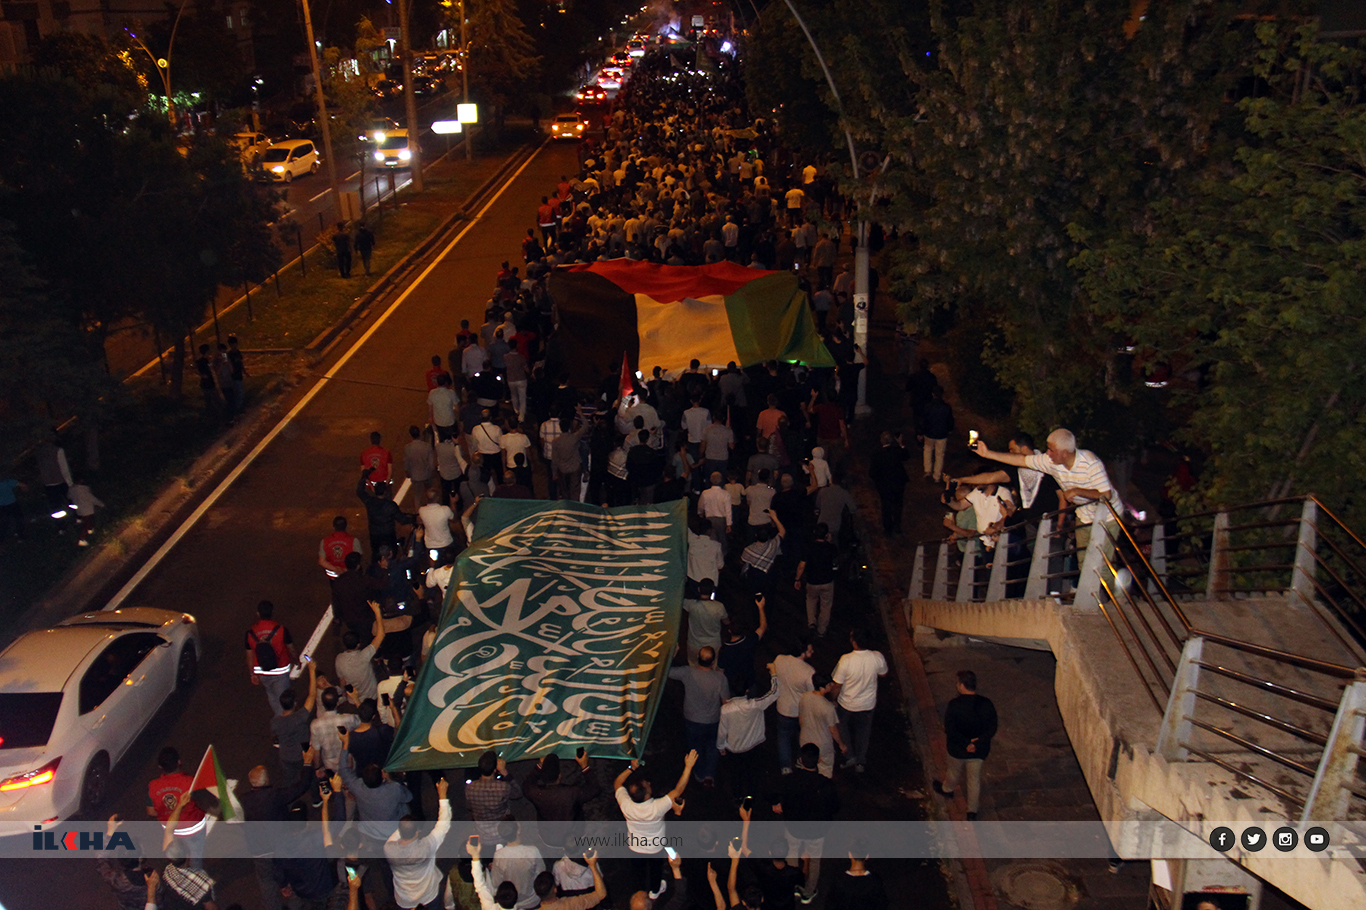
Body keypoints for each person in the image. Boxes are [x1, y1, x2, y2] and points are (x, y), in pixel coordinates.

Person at [972, 428, 1121, 553]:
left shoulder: (1090, 463)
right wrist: (988, 454)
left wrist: (1077, 491)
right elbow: (1021, 460)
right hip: (1084, 515)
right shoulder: (1051, 462)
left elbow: (1106, 495)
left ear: (1064, 453)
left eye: (1051, 449)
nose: (1047, 453)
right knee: (1084, 561)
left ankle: (1110, 587)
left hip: (1108, 516)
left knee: (1102, 562)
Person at [613, 751, 697, 899]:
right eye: (647, 785)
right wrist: (688, 767)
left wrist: (630, 768)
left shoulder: (626, 805)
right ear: (646, 795)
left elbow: (617, 784)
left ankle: (639, 892)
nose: (649, 783)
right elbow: (678, 791)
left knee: (637, 871)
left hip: (634, 846)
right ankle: (655, 891)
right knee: (655, 870)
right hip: (655, 848)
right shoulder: (657, 807)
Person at [239, 760, 314, 910]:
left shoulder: (243, 800)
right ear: (266, 780)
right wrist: (307, 763)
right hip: (280, 847)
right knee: (292, 878)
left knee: (266, 883)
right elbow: (301, 786)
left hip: (259, 850)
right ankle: (295, 906)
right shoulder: (274, 796)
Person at [772, 744, 839, 905]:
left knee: (792, 855)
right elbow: (835, 807)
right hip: (817, 829)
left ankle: (793, 884)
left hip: (794, 827)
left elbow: (779, 797)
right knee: (814, 860)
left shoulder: (790, 780)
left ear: (800, 760)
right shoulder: (826, 784)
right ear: (819, 760)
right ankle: (808, 892)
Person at [933, 670, 998, 821]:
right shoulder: (986, 704)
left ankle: (947, 789)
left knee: (954, 772)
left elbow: (950, 729)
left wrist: (966, 744)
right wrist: (977, 742)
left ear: (962, 686)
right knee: (973, 780)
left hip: (958, 749)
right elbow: (992, 727)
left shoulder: (954, 705)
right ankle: (972, 811)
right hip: (979, 750)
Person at [386, 778, 452, 910]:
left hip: (404, 899)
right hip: (428, 896)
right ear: (417, 832)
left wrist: (407, 825)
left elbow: (401, 831)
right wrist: (443, 796)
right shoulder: (426, 847)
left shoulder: (388, 848)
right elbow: (443, 825)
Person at [668, 647, 730, 786]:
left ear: (698, 658)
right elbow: (726, 702)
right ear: (713, 661)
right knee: (712, 746)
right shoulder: (720, 678)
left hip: (692, 719)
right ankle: (710, 775)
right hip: (713, 720)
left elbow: (668, 671)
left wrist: (673, 653)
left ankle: (699, 773)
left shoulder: (687, 672)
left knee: (695, 747)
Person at [831, 627, 888, 774]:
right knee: (863, 731)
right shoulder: (877, 657)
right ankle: (861, 761)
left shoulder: (846, 660)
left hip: (847, 703)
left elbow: (837, 684)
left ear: (854, 642)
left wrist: (833, 700)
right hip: (867, 704)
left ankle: (849, 756)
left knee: (842, 726)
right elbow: (883, 673)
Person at [717, 672, 780, 799]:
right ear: (747, 690)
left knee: (736, 775)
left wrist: (721, 747)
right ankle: (750, 797)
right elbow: (775, 693)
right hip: (754, 747)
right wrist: (774, 675)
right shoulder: (756, 705)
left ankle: (737, 797)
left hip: (734, 750)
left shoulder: (726, 709)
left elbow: (722, 731)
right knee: (753, 774)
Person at [524, 751, 600, 850]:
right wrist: (584, 766)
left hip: (548, 838)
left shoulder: (536, 793)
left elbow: (526, 785)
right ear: (559, 776)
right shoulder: (572, 793)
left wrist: (539, 766)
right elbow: (595, 789)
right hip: (574, 837)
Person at [146, 747, 207, 869]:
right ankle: (196, 875)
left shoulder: (153, 786)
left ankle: (181, 875)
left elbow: (151, 811)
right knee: (195, 853)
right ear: (179, 762)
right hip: (193, 829)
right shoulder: (190, 782)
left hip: (171, 830)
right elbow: (204, 803)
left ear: (160, 767)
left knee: (177, 855)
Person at [246, 599, 297, 715]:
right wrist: (296, 659)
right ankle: (285, 721)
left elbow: (249, 656)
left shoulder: (250, 633)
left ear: (258, 614)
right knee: (283, 697)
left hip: (263, 670)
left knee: (271, 695)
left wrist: (252, 674)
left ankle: (279, 717)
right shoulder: (281, 629)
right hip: (280, 669)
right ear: (272, 612)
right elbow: (291, 648)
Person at [772, 639, 815, 775]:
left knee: (783, 737)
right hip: (800, 711)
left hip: (782, 708)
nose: (812, 652)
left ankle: (785, 767)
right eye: (809, 650)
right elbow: (812, 694)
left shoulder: (779, 660)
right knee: (801, 737)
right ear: (802, 653)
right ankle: (800, 759)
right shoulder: (808, 671)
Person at [334, 600, 387, 703]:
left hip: (354, 699)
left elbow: (342, 681)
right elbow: (380, 635)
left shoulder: (339, 660)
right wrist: (377, 613)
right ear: (358, 644)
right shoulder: (364, 656)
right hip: (372, 695)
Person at [798, 673, 847, 779]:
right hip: (823, 745)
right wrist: (841, 745)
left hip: (805, 740)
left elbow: (801, 718)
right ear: (822, 687)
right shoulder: (827, 707)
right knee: (825, 771)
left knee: (807, 770)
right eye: (829, 684)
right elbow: (833, 730)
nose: (832, 685)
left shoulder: (804, 697)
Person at [467, 750, 523, 842]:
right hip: (502, 825)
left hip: (482, 829)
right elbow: (518, 793)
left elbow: (469, 806)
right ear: (495, 770)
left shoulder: (470, 788)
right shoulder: (502, 787)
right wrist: (504, 772)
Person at [794, 523, 837, 638]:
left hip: (812, 581)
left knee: (811, 600)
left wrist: (797, 579)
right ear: (827, 535)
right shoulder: (831, 548)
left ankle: (811, 623)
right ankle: (822, 630)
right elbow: (836, 563)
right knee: (826, 606)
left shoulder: (808, 548)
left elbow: (801, 565)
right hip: (827, 581)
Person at [490, 821, 543, 910]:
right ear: (518, 830)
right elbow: (541, 874)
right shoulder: (533, 851)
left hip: (510, 902)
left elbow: (496, 882)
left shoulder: (499, 856)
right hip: (531, 900)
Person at [824, 840, 888, 910]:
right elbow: (882, 904)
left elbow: (830, 905)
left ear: (850, 855)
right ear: (867, 856)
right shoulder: (875, 881)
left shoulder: (839, 881)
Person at [867, 431, 910, 534]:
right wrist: (901, 444)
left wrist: (877, 481)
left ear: (881, 441)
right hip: (898, 483)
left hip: (884, 485)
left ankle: (888, 528)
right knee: (898, 505)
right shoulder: (896, 451)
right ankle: (897, 526)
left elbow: (872, 472)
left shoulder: (876, 454)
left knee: (886, 506)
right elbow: (906, 456)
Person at [681, 578, 728, 665]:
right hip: (713, 644)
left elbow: (679, 599)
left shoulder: (691, 605)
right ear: (713, 590)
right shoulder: (719, 607)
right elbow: (726, 621)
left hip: (694, 643)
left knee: (693, 667)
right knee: (712, 667)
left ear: (699, 589)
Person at [921, 388, 954, 482]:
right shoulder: (946, 407)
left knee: (927, 451)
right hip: (942, 434)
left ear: (933, 394)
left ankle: (927, 471)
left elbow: (924, 420)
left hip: (929, 433)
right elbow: (950, 420)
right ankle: (937, 476)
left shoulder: (928, 406)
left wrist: (921, 431)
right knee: (940, 454)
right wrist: (950, 429)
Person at [698, 472, 732, 553]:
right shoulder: (725, 493)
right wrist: (729, 524)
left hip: (709, 518)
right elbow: (728, 510)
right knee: (722, 539)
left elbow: (700, 505)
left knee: (711, 539)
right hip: (721, 520)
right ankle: (722, 555)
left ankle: (711, 554)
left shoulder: (705, 493)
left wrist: (700, 513)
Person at [69, 477, 104, 546]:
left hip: (79, 510)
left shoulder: (72, 489)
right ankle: (82, 539)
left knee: (88, 522)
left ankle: (90, 531)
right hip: (87, 509)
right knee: (86, 524)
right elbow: (92, 499)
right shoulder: (84, 490)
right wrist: (101, 504)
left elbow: (69, 497)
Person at [428, 373, 459, 441]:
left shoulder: (432, 393)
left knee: (442, 439)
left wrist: (430, 418)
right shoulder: (451, 393)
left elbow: (430, 408)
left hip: (439, 422)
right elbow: (456, 408)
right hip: (450, 421)